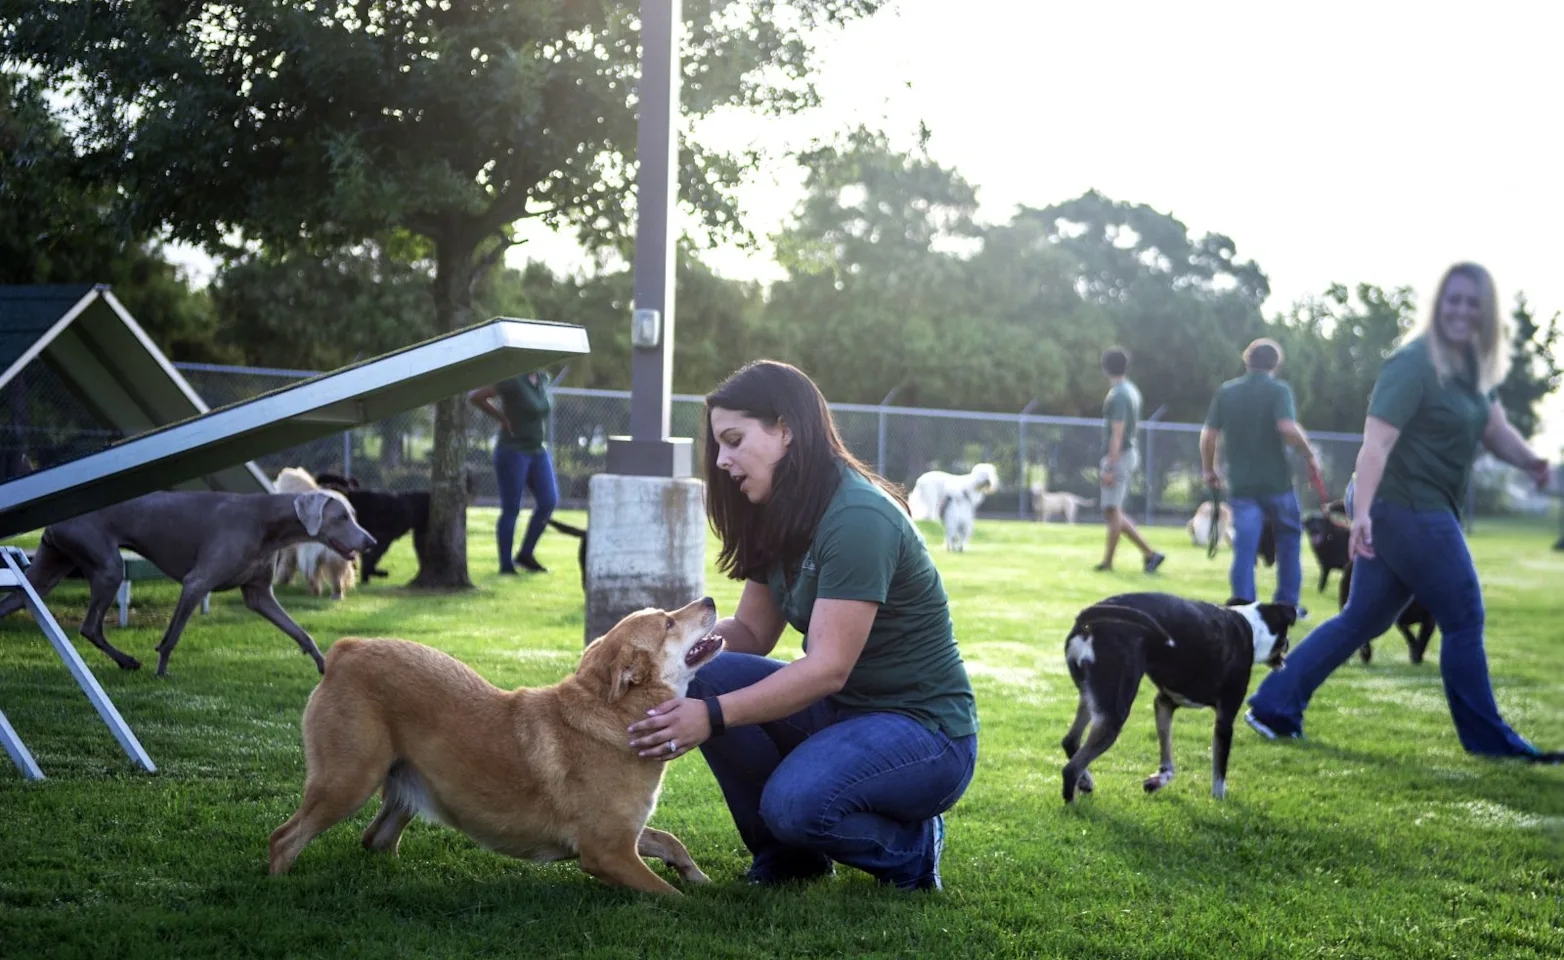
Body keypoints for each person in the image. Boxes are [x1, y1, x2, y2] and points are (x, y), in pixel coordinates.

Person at [626, 360, 979, 891]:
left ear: (786, 430)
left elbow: (827, 670)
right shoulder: (782, 510)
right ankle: (788, 861)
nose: (721, 460)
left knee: (794, 803)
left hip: (925, 732)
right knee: (708, 672)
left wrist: (711, 716)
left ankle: (913, 848)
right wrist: (663, 654)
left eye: (734, 440)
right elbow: (748, 632)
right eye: (718, 445)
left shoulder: (859, 516)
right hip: (847, 714)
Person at [1245, 263, 1560, 763]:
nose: (1461, 310)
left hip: (1413, 507)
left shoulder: (1474, 371)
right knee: (1463, 614)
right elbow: (1376, 444)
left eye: (1472, 302)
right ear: (1438, 305)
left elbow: (1495, 430)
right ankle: (1490, 743)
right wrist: (1363, 513)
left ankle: (1274, 706)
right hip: (1403, 504)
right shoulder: (1412, 364)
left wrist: (1534, 462)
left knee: (1362, 618)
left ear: (1486, 313)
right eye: (1452, 299)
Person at [1199, 338, 1320, 605]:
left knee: (1245, 548)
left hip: (1243, 486)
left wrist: (1210, 470)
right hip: (1278, 484)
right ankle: (1288, 605)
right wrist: (1309, 455)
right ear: (1276, 364)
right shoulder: (1279, 391)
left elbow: (1209, 436)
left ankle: (1243, 605)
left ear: (1246, 361)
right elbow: (1288, 428)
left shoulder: (1227, 392)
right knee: (1288, 544)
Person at [468, 370, 558, 575]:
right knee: (511, 509)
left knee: (548, 501)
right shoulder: (512, 378)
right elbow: (476, 397)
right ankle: (506, 565)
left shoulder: (543, 379)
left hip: (537, 450)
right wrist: (501, 417)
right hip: (513, 450)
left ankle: (526, 554)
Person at [1095, 347, 1165, 573]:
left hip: (1121, 454)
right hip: (1127, 453)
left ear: (1105, 368)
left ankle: (1108, 562)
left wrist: (1110, 465)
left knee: (1113, 509)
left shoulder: (1119, 395)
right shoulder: (1130, 391)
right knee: (1112, 510)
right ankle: (1150, 554)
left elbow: (1118, 432)